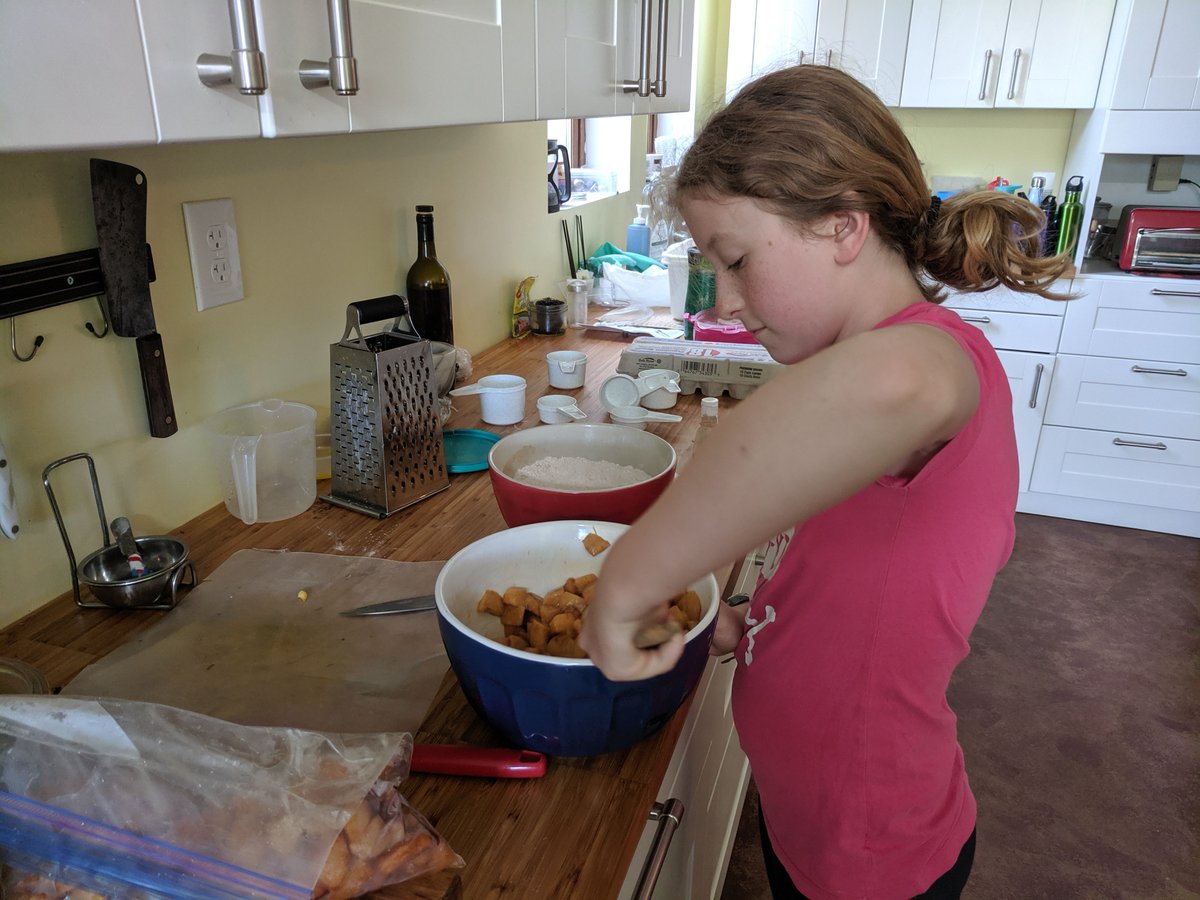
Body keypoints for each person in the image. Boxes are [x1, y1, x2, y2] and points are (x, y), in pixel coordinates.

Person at [578, 64, 1071, 900]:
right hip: (808, 815)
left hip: (876, 846)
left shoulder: (935, 360)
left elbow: (878, 389)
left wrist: (626, 584)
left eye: (735, 261)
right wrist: (756, 623)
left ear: (844, 226)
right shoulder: (852, 372)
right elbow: (855, 571)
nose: (725, 301)